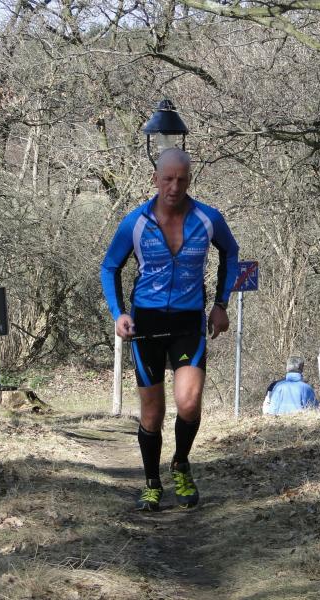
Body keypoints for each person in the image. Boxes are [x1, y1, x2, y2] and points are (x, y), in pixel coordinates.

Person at [101, 148, 239, 511]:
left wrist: (221, 304)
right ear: (155, 179)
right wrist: (118, 313)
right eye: (167, 179)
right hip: (146, 323)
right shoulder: (135, 222)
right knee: (152, 413)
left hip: (188, 322)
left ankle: (180, 463)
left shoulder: (208, 219)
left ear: (189, 180)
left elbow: (231, 252)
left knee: (189, 403)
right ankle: (151, 482)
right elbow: (109, 267)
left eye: (181, 179)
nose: (174, 187)